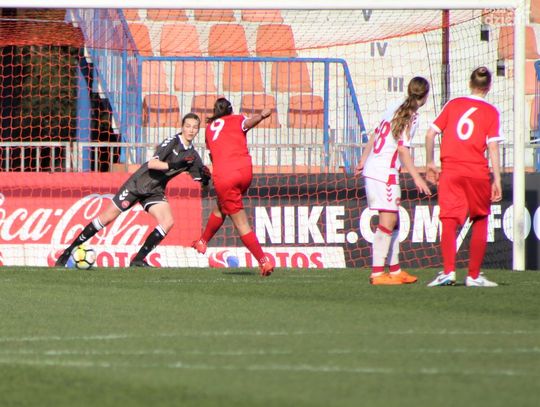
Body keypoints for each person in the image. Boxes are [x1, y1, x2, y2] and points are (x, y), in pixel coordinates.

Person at [55, 113, 211, 268]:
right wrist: (175, 165)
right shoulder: (173, 142)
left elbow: (202, 183)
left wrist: (205, 179)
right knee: (106, 218)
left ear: (198, 130)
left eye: (194, 127)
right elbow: (152, 164)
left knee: (168, 222)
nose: (191, 130)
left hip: (155, 191)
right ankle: (68, 251)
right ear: (182, 127)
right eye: (188, 126)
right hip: (137, 184)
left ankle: (138, 260)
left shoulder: (193, 156)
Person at [425, 67, 502, 287]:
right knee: (480, 219)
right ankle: (473, 276)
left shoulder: (453, 104)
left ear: (470, 83)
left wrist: (430, 162)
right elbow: (493, 146)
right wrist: (497, 179)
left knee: (449, 219)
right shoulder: (491, 111)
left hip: (451, 170)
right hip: (476, 171)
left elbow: (430, 133)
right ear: (488, 87)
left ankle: (449, 272)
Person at [355, 76, 432, 285]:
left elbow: (375, 134)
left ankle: (395, 269)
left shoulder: (395, 106)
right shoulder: (410, 115)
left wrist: (363, 159)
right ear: (425, 96)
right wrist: (417, 178)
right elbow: (402, 150)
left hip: (376, 169)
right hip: (384, 173)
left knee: (394, 220)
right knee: (387, 221)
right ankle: (377, 273)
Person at [191, 97, 274, 277]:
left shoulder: (209, 129)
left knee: (241, 223)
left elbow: (213, 155)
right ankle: (203, 241)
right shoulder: (237, 118)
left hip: (225, 175)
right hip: (245, 172)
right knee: (222, 206)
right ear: (230, 110)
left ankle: (263, 261)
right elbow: (248, 123)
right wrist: (261, 115)